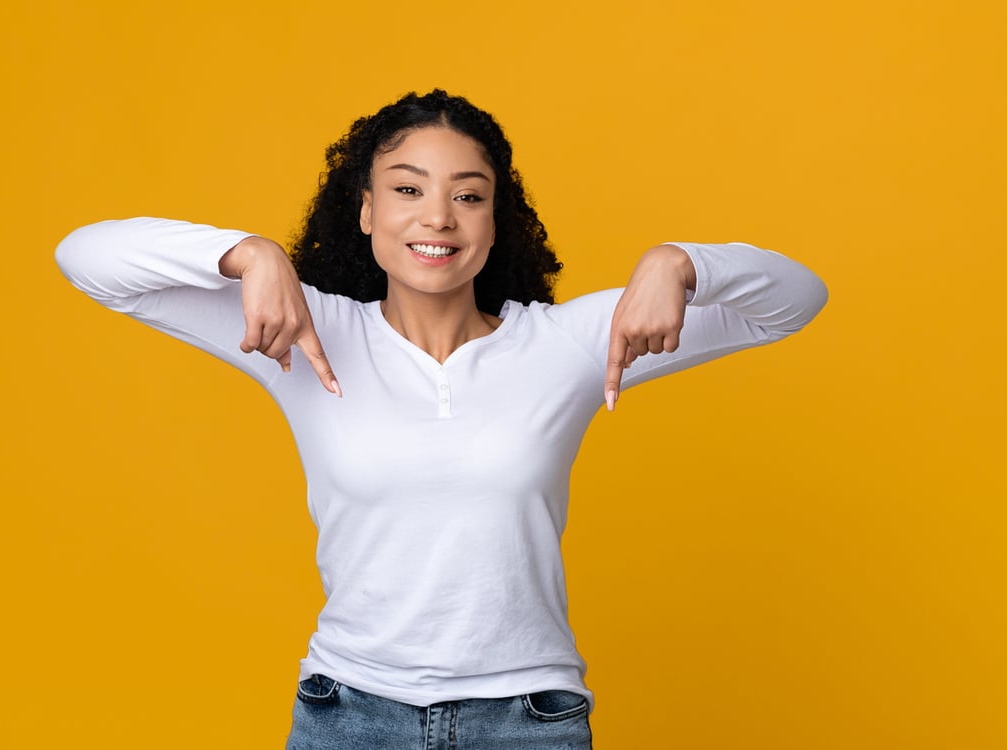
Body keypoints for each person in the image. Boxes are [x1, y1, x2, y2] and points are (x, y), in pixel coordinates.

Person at [55, 89, 827, 749]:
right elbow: (87, 258)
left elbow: (794, 302)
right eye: (406, 189)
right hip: (349, 713)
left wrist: (676, 262)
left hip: (529, 719)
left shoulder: (567, 345)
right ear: (364, 211)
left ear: (495, 221)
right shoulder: (306, 331)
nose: (439, 218)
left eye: (467, 194)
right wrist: (250, 256)